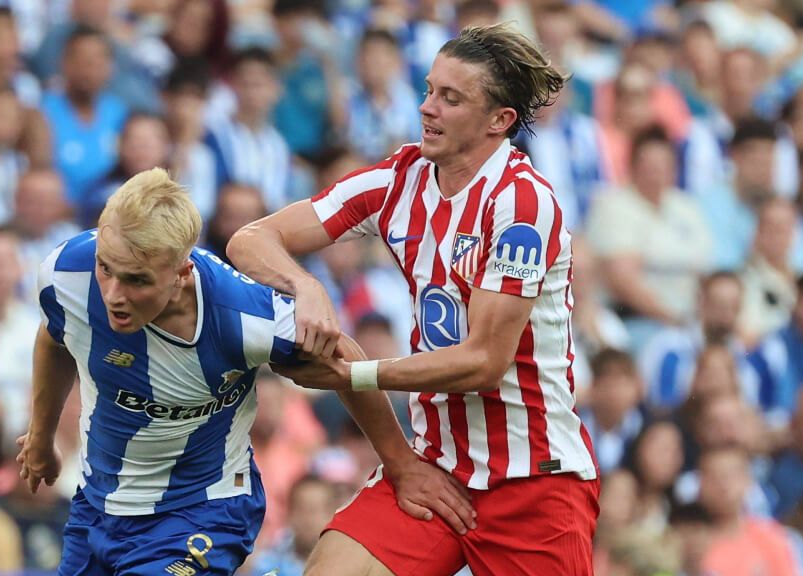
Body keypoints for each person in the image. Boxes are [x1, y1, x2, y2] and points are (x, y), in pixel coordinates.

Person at [228, 23, 599, 576]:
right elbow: (251, 239)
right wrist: (306, 285)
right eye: (428, 90)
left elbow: (483, 362)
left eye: (451, 98)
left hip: (532, 480)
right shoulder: (399, 179)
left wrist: (352, 375)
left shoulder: (523, 206)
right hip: (434, 467)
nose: (427, 108)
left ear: (499, 121)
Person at [15, 168, 471, 575]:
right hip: (98, 505)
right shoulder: (64, 275)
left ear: (181, 274)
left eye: (137, 279)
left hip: (202, 509)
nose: (114, 293)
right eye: (106, 268)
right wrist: (40, 435)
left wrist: (401, 465)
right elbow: (55, 338)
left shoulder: (243, 317)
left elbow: (344, 358)